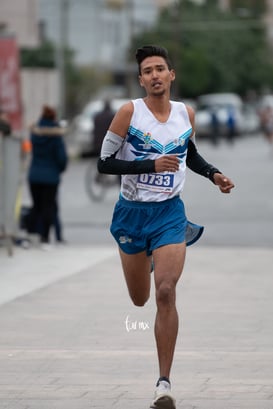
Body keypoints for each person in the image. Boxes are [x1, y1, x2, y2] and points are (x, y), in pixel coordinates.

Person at [97, 45, 235, 409]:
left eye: (161, 68)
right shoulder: (129, 113)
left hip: (170, 214)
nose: (155, 75)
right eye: (148, 70)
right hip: (131, 214)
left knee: (166, 293)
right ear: (141, 79)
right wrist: (149, 166)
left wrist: (213, 174)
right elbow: (104, 164)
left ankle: (164, 383)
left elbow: (188, 154)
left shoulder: (184, 113)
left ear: (171, 75)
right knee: (140, 298)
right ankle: (147, 256)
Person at [28, 105, 68, 249]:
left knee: (36, 206)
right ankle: (45, 238)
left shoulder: (35, 132)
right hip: (50, 176)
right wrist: (59, 170)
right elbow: (61, 158)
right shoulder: (56, 135)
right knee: (48, 207)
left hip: (33, 175)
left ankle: (30, 236)